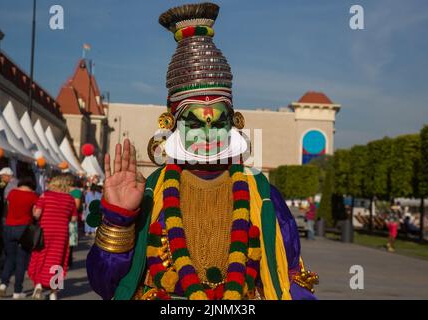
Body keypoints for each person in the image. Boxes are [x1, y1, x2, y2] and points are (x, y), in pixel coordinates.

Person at [86, 3, 317, 300]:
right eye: (194, 123)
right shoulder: (150, 193)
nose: (208, 134)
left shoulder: (262, 195)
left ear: (233, 123)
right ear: (171, 123)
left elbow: (291, 281)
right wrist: (119, 218)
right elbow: (106, 285)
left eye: (219, 121)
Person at [28, 174, 77, 300]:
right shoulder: (70, 199)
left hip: (45, 232)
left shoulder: (45, 196)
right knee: (58, 260)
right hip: (61, 233)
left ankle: (38, 286)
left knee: (40, 257)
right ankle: (53, 293)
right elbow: (74, 219)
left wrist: (34, 211)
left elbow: (37, 215)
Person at [0, 177, 38, 299]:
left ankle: (3, 285)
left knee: (10, 258)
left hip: (9, 227)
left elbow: (8, 208)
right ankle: (17, 291)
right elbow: (35, 214)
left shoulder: (12, 192)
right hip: (24, 230)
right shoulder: (33, 196)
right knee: (21, 261)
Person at [68, 176, 83, 268]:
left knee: (70, 241)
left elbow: (76, 206)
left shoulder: (76, 192)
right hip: (64, 218)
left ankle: (69, 261)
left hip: (71, 218)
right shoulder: (63, 190)